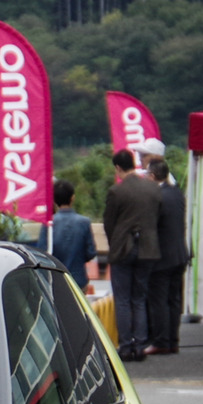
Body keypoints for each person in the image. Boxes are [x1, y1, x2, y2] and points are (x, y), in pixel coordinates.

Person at [101, 148, 161, 361]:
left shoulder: (116, 192)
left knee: (123, 299)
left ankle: (126, 346)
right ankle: (141, 345)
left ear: (118, 167)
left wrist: (115, 243)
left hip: (123, 249)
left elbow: (109, 223)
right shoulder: (153, 189)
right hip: (148, 248)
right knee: (139, 297)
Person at [146, 158, 191, 355]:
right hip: (180, 254)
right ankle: (173, 340)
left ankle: (161, 341)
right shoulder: (177, 194)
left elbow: (151, 226)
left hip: (162, 257)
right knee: (174, 300)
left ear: (153, 175)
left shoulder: (156, 196)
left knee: (159, 301)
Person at [44, 180, 96, 281]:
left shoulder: (49, 224)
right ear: (73, 198)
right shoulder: (84, 222)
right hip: (79, 279)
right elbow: (91, 252)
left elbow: (44, 250)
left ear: (54, 200)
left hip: (56, 279)